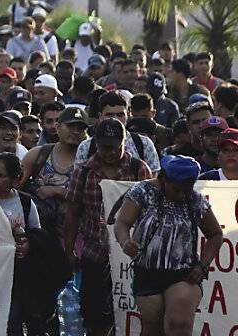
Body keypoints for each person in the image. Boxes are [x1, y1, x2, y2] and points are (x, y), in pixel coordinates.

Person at [113, 156, 223, 336]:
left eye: (186, 190)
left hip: (184, 273)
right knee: (152, 328)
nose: (181, 195)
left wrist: (203, 265)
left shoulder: (196, 200)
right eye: (176, 189)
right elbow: (122, 223)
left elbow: (216, 234)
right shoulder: (142, 191)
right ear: (164, 179)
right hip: (147, 272)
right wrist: (125, 241)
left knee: (179, 326)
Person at [64, 119, 153, 336]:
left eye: (114, 147)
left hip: (131, 257)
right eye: (104, 147)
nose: (110, 153)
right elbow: (72, 212)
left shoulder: (139, 169)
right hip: (95, 254)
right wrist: (69, 249)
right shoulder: (83, 172)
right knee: (95, 317)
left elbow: (151, 213)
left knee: (132, 315)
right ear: (96, 143)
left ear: (123, 143)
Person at [0, 153, 42, 336]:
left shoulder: (25, 202)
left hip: (15, 277)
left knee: (11, 321)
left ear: (15, 180)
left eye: (1, 175)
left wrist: (27, 245)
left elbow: (36, 233)